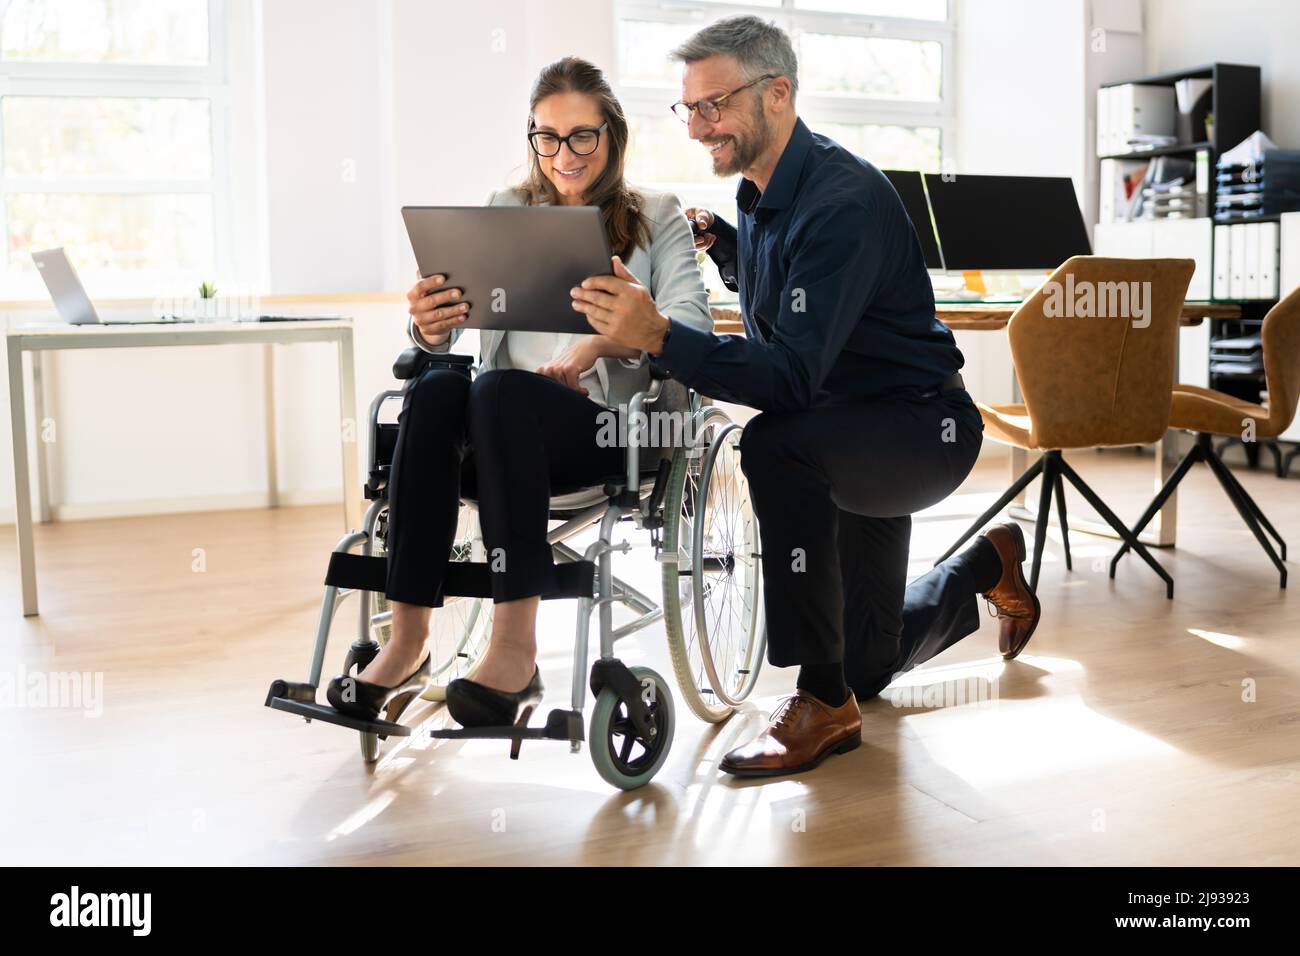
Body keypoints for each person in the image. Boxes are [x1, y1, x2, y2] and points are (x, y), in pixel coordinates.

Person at [571, 16, 1041, 777]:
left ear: (778, 93)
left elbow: (788, 376)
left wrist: (658, 334)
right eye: (687, 109)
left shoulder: (842, 203)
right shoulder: (763, 193)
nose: (697, 129)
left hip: (914, 430)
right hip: (844, 432)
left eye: (711, 107)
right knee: (873, 666)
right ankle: (988, 563)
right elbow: (786, 300)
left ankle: (820, 702)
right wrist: (724, 242)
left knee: (775, 443)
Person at [326, 56, 712, 729]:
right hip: (499, 430)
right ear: (532, 138)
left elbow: (695, 329)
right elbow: (444, 342)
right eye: (547, 137)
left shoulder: (655, 216)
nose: (564, 154)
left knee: (499, 391)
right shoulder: (507, 210)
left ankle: (514, 650)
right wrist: (429, 325)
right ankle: (409, 643)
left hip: (604, 431)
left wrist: (602, 338)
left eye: (582, 136)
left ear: (612, 136)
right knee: (439, 387)